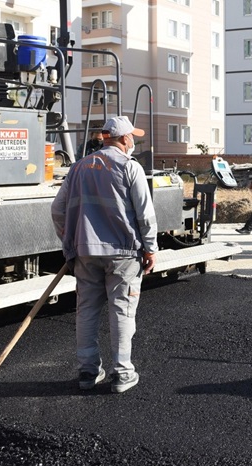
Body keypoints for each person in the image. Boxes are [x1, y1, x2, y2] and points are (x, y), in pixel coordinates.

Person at [52, 116, 157, 394]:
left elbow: (57, 210)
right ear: (124, 139)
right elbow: (145, 214)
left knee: (86, 310)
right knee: (121, 310)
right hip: (123, 252)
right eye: (132, 136)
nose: (133, 140)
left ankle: (88, 371)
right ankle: (122, 373)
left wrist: (71, 242)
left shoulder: (77, 168)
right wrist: (150, 248)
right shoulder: (129, 167)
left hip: (85, 253)